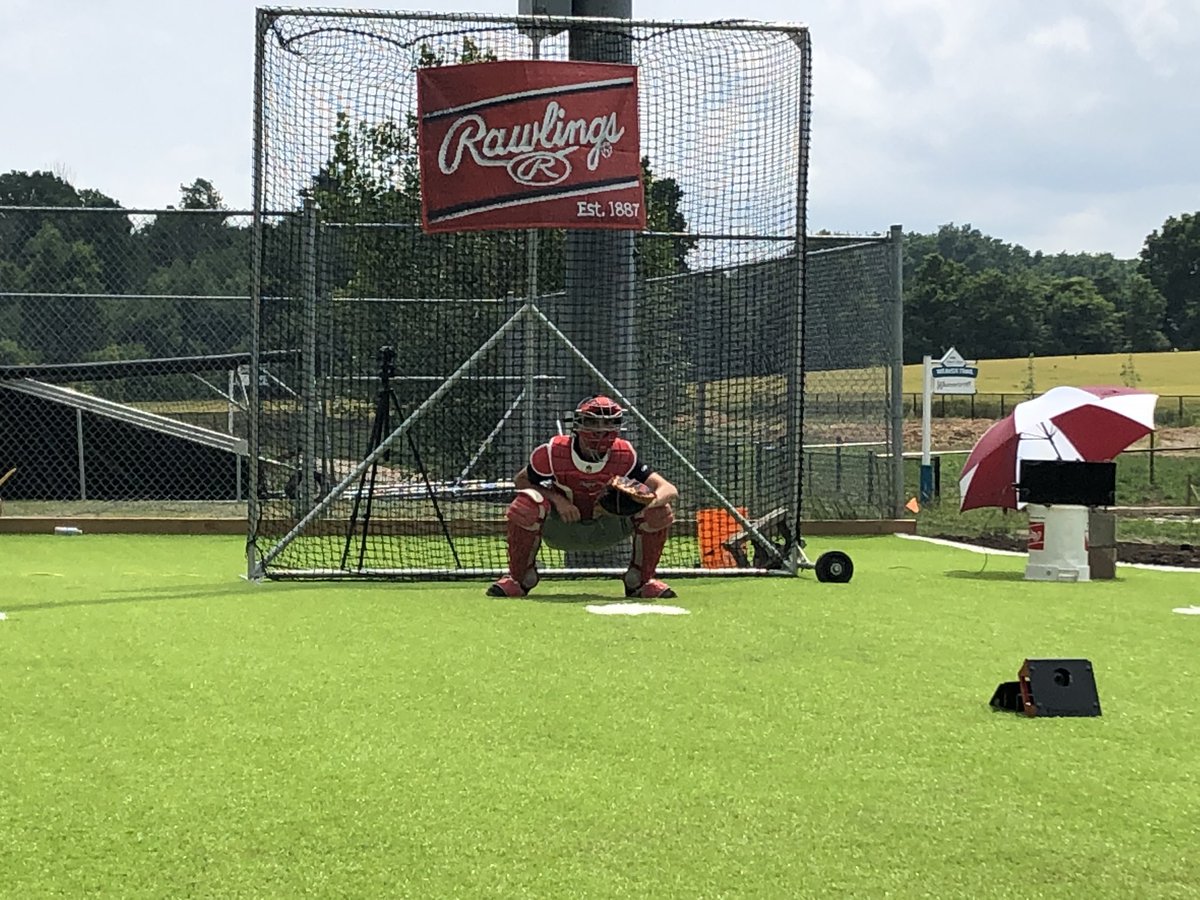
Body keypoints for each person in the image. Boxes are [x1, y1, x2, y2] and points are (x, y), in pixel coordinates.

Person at [487, 395, 679, 599]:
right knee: (526, 504)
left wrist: (639, 504)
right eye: (593, 422)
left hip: (607, 527)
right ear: (578, 424)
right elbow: (521, 481)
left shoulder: (624, 456)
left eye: (608, 423)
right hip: (561, 527)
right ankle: (519, 578)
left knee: (660, 511)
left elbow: (668, 489)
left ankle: (640, 580)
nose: (600, 430)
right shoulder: (553, 453)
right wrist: (558, 500)